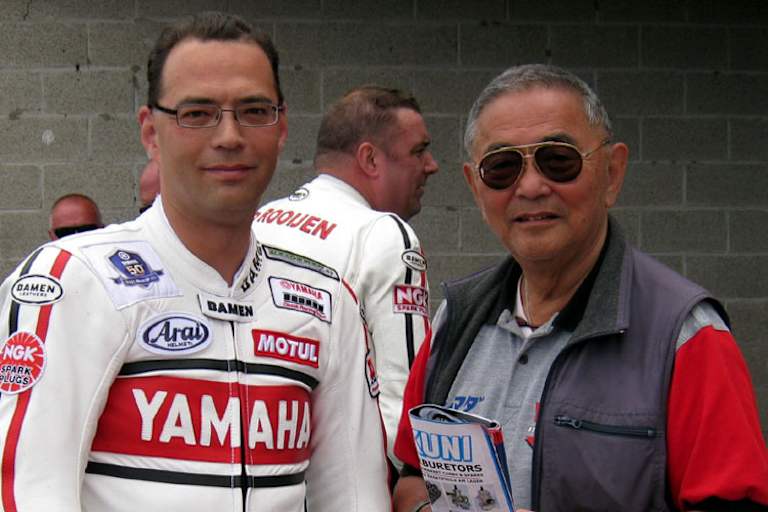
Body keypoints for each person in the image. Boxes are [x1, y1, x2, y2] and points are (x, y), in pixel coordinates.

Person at [0, 11, 389, 511]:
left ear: (282, 126)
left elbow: (355, 497)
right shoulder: (74, 278)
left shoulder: (327, 300)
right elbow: (29, 493)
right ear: (149, 131)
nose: (228, 135)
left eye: (253, 110)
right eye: (197, 113)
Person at [392, 64, 768, 512]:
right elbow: (411, 477)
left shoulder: (686, 337)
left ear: (611, 173)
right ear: (475, 186)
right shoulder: (455, 321)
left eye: (558, 161)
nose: (530, 186)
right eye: (502, 167)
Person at [254, 85, 438, 469]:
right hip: (343, 482)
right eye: (418, 151)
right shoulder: (384, 232)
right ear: (370, 159)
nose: (431, 165)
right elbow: (404, 402)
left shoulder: (261, 219)